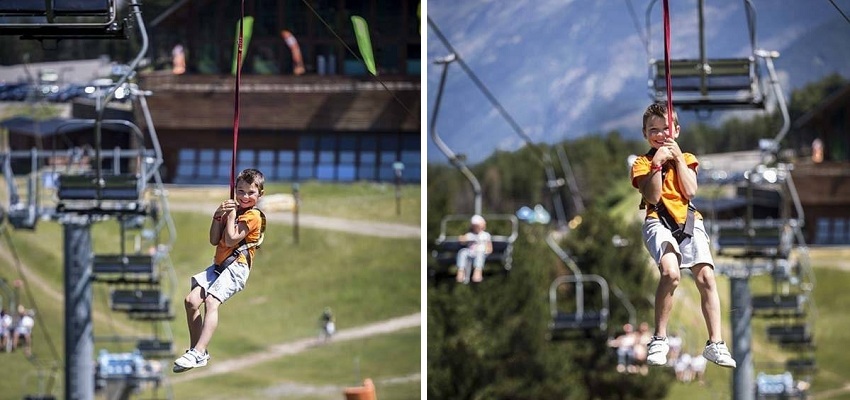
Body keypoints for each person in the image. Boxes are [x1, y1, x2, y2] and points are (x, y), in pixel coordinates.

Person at [630, 102, 736, 369]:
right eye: (653, 130)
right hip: (658, 221)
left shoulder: (687, 158)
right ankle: (659, 338)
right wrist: (656, 165)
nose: (660, 134)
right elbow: (652, 196)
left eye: (665, 128)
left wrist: (676, 159)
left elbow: (690, 191)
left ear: (676, 130)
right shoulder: (642, 163)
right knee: (671, 273)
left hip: (688, 222)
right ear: (645, 134)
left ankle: (716, 343)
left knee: (706, 276)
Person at [173, 169, 266, 373]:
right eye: (240, 191)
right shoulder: (233, 210)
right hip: (219, 266)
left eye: (250, 193)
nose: (244, 196)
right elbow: (214, 239)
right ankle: (197, 351)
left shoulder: (253, 216)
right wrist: (218, 216)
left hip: (237, 267)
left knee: (211, 301)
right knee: (191, 302)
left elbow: (232, 238)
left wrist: (231, 215)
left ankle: (198, 351)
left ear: (260, 195)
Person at [455, 215, 492, 283]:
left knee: (479, 255)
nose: (476, 227)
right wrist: (462, 238)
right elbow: (462, 239)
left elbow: (489, 247)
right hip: (471, 252)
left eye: (477, 225)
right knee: (462, 252)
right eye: (474, 226)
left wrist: (487, 250)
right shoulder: (470, 234)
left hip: (481, 252)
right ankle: (461, 272)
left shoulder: (486, 235)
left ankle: (477, 273)